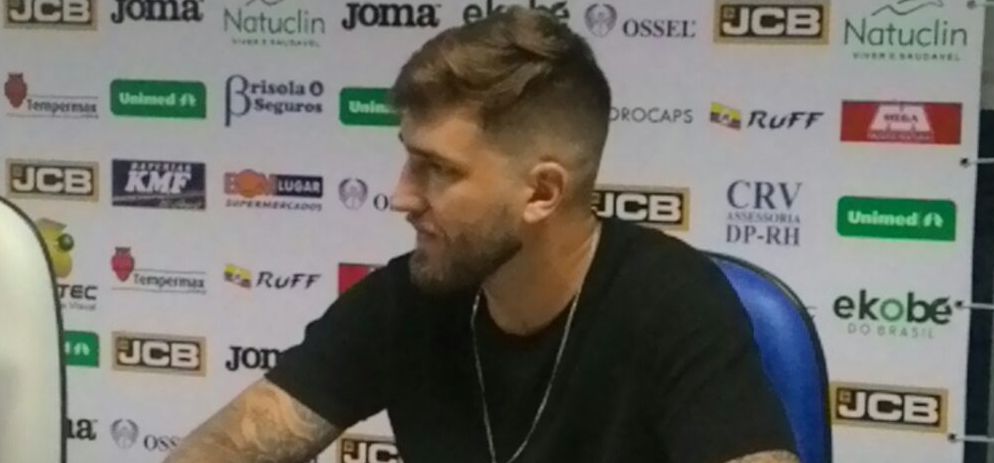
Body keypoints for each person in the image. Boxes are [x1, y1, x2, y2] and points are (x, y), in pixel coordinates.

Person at [165, 7, 799, 463]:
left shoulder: (673, 304)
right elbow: (222, 448)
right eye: (409, 158)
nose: (401, 197)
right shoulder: (409, 298)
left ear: (542, 193)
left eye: (438, 169)